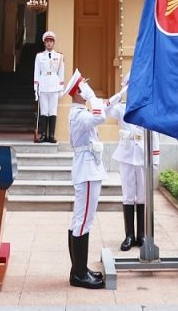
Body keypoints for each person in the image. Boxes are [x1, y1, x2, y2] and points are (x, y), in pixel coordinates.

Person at [63, 68, 120, 290]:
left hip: (88, 168)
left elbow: (103, 107)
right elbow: (100, 115)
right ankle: (79, 274)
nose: (88, 88)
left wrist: (119, 95)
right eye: (84, 86)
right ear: (79, 92)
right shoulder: (79, 115)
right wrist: (92, 95)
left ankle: (79, 269)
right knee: (83, 220)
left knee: (81, 220)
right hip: (86, 171)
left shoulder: (81, 112)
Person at [108, 72, 160, 251]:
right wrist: (120, 94)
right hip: (126, 155)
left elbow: (154, 133)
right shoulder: (122, 108)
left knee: (143, 195)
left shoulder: (147, 107)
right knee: (128, 195)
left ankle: (141, 235)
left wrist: (155, 158)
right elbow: (105, 110)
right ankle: (129, 235)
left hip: (143, 156)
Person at [33, 30, 65, 143]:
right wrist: (35, 88)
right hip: (43, 85)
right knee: (44, 111)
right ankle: (43, 135)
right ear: (44, 43)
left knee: (52, 111)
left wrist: (61, 88)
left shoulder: (59, 56)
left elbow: (61, 73)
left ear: (54, 43)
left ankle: (51, 135)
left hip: (54, 85)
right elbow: (36, 72)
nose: (49, 43)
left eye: (51, 41)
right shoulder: (39, 56)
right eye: (47, 41)